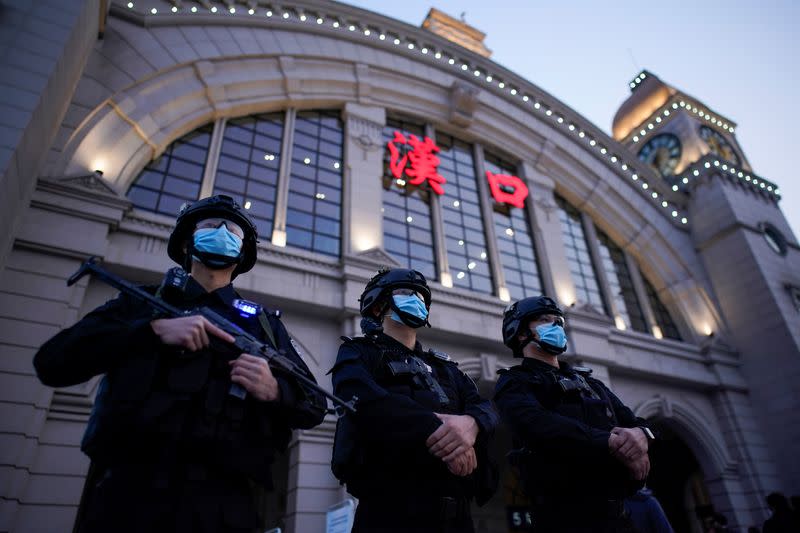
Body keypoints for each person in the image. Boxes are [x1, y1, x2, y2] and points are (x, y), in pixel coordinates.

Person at [34, 195, 326, 533]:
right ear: (188, 240)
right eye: (210, 226)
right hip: (128, 495)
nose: (222, 232)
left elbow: (315, 404)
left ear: (243, 252)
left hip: (226, 504)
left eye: (232, 230)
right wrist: (149, 332)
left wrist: (275, 390)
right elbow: (52, 362)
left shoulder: (263, 325)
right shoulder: (140, 304)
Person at [330, 267, 498, 533]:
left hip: (457, 518)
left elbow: (483, 406)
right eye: (407, 293)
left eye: (421, 296)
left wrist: (472, 424)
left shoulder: (446, 367)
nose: (417, 300)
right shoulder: (358, 352)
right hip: (390, 513)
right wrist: (448, 436)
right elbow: (362, 398)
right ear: (378, 306)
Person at [493, 296, 655, 533]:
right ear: (520, 333)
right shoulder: (515, 382)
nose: (556, 326)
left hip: (619, 518)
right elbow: (540, 426)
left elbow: (633, 420)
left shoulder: (590, 382)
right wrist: (610, 442)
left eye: (558, 321)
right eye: (545, 321)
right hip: (564, 518)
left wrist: (640, 437)